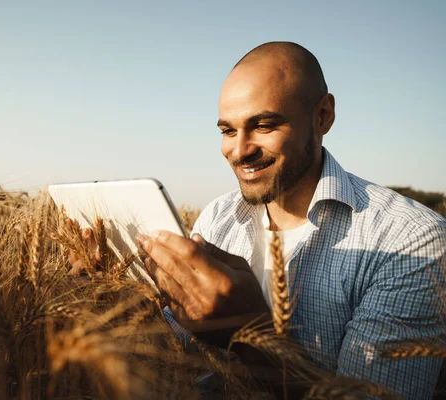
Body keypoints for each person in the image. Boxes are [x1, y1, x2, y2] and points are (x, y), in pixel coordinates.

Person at [132, 42, 446, 399]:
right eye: (227, 131)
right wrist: (104, 289)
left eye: (264, 125)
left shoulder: (410, 239)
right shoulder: (218, 217)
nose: (238, 151)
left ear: (323, 115)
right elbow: (171, 350)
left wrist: (253, 337)